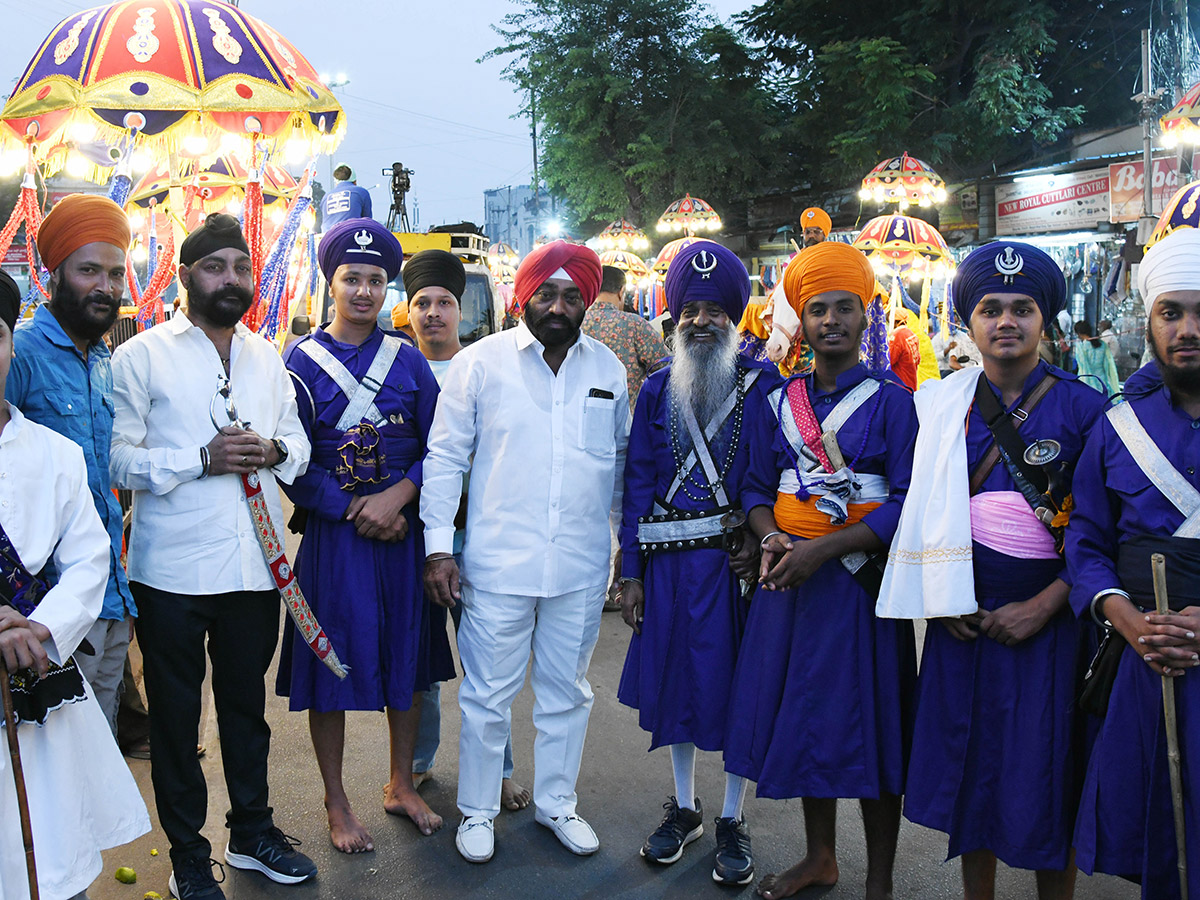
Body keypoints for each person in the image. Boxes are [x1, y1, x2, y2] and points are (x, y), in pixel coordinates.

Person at [878, 241, 1107, 900]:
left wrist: (1045, 606)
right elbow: (919, 511)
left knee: (1047, 777)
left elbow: (1102, 535)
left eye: (1023, 308)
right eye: (990, 308)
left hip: (1052, 628)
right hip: (964, 624)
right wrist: (940, 598)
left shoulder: (1085, 411)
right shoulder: (940, 406)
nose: (1006, 321)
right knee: (971, 774)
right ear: (968, 323)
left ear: (1046, 321)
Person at [111, 213, 316, 898]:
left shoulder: (267, 357)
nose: (230, 279)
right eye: (214, 267)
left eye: (240, 267)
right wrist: (199, 459)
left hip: (255, 568)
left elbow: (299, 443)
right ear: (185, 276)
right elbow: (119, 458)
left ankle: (253, 834)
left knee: (245, 711)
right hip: (171, 572)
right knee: (174, 718)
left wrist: (276, 451)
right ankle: (190, 855)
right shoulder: (141, 355)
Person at [422, 240, 628, 864]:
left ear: (587, 301)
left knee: (568, 692)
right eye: (547, 293)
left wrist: (625, 551)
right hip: (499, 562)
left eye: (572, 296)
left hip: (581, 564)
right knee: (488, 694)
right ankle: (479, 812)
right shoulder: (480, 364)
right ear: (525, 296)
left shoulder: (607, 370)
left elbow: (619, 467)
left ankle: (557, 803)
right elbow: (445, 459)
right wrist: (438, 551)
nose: (559, 306)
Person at [722, 242, 918, 900]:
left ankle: (882, 880)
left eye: (844, 308)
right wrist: (774, 536)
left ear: (867, 318)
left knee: (873, 729)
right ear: (800, 324)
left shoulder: (894, 403)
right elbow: (751, 487)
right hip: (789, 584)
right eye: (816, 310)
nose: (830, 320)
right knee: (807, 720)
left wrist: (821, 550)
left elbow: (908, 502)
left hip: (858, 588)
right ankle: (820, 859)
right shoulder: (778, 401)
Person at [277, 220, 453, 854]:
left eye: (376, 280)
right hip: (336, 540)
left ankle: (401, 784)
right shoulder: (299, 360)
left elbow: (443, 448)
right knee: (331, 662)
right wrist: (357, 507)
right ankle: (335, 800)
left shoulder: (407, 358)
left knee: (405, 663)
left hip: (402, 534)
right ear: (332, 285)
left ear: (388, 290)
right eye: (352, 279)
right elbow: (290, 460)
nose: (364, 290)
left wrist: (400, 494)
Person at [618, 240, 779, 884]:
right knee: (678, 687)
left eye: (716, 309)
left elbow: (768, 476)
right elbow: (635, 483)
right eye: (692, 308)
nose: (702, 320)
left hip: (733, 570)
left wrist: (757, 536)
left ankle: (734, 818)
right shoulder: (657, 390)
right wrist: (630, 572)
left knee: (739, 688)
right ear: (675, 314)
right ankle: (684, 809)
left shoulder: (765, 387)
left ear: (735, 317)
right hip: (666, 571)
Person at [0, 274, 150, 900]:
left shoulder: (54, 454)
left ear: (10, 347)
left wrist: (40, 628)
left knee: (49, 842)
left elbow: (89, 557)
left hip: (36, 670)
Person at [1068, 227, 1200, 900]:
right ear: (1148, 321)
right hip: (1144, 658)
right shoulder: (1117, 427)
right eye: (1171, 312)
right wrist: (1124, 618)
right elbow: (1086, 539)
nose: (1187, 329)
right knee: (1161, 837)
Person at [403, 249, 530, 811]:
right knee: (419, 660)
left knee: (489, 662)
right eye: (422, 303)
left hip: (477, 536)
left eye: (445, 303)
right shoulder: (397, 372)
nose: (434, 313)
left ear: (462, 310)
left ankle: (498, 771)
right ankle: (415, 763)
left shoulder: (487, 367)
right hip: (415, 537)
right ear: (406, 313)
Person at [4, 194, 136, 736]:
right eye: (88, 270)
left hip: (105, 601)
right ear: (53, 273)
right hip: (38, 616)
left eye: (114, 273)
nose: (105, 286)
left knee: (92, 765)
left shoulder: (103, 357)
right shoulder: (19, 354)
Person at [581, 265, 665, 412]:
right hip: (628, 420)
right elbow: (664, 367)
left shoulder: (577, 323)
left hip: (580, 420)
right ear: (621, 292)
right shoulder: (635, 324)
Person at [1073, 320, 1120, 395]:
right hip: (1102, 383)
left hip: (1087, 384)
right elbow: (1108, 366)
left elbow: (1083, 369)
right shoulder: (1102, 345)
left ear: (1078, 333)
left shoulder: (1081, 347)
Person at [321, 164, 372, 231]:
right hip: (351, 235)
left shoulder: (326, 197)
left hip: (327, 237)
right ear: (355, 181)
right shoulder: (361, 192)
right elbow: (367, 221)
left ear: (336, 182)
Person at [887, 306, 920, 391]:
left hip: (900, 385)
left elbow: (889, 360)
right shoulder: (912, 334)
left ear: (895, 321)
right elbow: (918, 359)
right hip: (911, 383)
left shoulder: (897, 336)